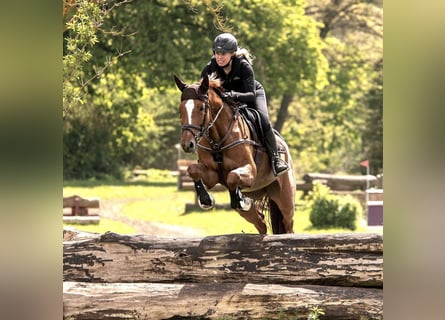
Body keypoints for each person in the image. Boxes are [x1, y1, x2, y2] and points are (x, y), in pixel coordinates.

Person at [200, 32, 290, 176]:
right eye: (217, 53)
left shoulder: (243, 66)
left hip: (250, 95)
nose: (219, 57)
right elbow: (203, 91)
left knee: (263, 120)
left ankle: (275, 159)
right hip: (227, 100)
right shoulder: (210, 68)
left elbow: (250, 95)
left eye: (223, 53)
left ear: (232, 53)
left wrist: (233, 95)